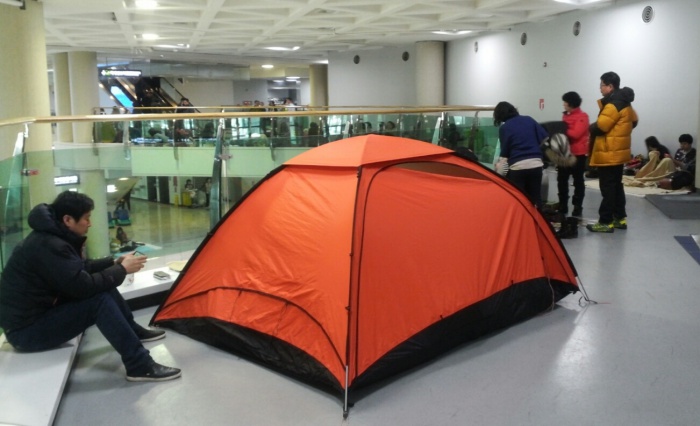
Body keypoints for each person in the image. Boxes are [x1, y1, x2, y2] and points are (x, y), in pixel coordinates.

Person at [0, 191, 181, 382]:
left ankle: (134, 331)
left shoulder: (51, 237)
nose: (90, 223)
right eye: (86, 218)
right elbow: (82, 287)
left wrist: (113, 263)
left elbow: (75, 270)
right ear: (68, 220)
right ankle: (139, 365)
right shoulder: (49, 244)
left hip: (36, 316)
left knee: (103, 285)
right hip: (25, 333)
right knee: (98, 301)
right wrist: (121, 269)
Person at [586, 71, 638, 233]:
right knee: (616, 186)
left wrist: (590, 127)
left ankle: (605, 221)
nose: (600, 88)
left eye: (602, 85)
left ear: (610, 86)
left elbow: (601, 127)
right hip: (619, 153)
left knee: (607, 188)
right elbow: (634, 121)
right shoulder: (626, 103)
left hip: (609, 153)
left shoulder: (613, 104)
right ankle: (619, 218)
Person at [493, 101, 548, 209]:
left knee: (520, 199)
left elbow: (505, 153)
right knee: (536, 197)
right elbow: (544, 138)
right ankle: (538, 219)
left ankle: (522, 219)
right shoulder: (529, 119)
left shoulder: (504, 128)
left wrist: (498, 166)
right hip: (536, 164)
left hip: (518, 167)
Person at [558, 91, 590, 217]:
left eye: (565, 102)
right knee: (561, 180)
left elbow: (576, 134)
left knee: (578, 181)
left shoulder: (583, 116)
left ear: (570, 103)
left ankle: (577, 206)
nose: (563, 104)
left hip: (578, 154)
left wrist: (561, 129)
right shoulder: (565, 116)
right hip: (564, 153)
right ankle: (563, 205)